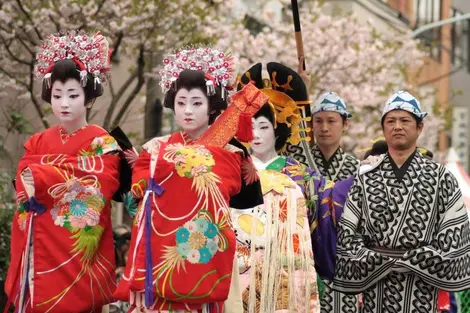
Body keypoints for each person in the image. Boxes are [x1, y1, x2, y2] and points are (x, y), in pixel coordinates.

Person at [113, 47, 268, 313]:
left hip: (209, 258)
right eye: (181, 102)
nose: (187, 110)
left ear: (212, 107)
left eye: (196, 103)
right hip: (161, 258)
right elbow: (136, 206)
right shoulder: (154, 147)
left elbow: (247, 207)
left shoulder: (232, 153)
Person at [5, 30, 131, 313]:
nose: (64, 103)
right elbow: (25, 178)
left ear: (88, 96)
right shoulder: (38, 140)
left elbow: (99, 185)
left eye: (73, 95)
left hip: (76, 258)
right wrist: (45, 175)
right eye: (58, 95)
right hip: (40, 252)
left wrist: (43, 175)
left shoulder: (102, 141)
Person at [333, 90, 470, 313]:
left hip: (422, 289)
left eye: (405, 120)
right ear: (383, 128)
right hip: (375, 287)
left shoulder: (442, 177)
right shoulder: (365, 178)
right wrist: (378, 262)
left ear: (420, 127)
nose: (398, 126)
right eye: (391, 121)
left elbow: (454, 240)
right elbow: (348, 236)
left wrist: (411, 261)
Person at [234, 62, 320, 312]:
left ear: (278, 129)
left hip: (285, 271)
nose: (257, 135)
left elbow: (314, 228)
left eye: (264, 127)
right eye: (250, 127)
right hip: (238, 268)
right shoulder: (232, 169)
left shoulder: (300, 175)